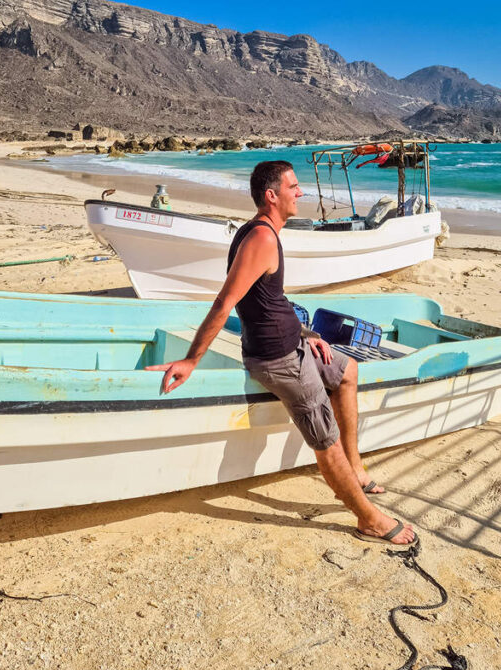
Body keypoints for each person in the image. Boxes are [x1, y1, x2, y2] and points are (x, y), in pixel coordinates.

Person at [147, 160, 416, 545]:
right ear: (272, 196)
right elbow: (225, 303)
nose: (300, 192)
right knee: (326, 440)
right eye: (293, 186)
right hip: (279, 360)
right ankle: (368, 519)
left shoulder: (266, 233)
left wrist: (307, 333)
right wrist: (192, 360)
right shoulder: (260, 238)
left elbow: (271, 299)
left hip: (296, 344)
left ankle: (355, 467)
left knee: (348, 372)